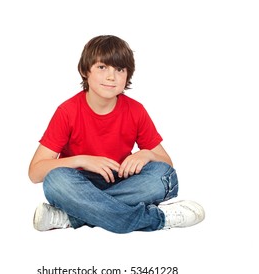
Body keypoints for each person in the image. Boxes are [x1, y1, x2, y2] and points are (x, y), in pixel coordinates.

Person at [28, 35, 205, 234]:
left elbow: (166, 164)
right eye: (102, 67)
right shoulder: (67, 111)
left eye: (119, 69)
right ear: (84, 71)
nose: (111, 77)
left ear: (127, 75)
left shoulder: (135, 110)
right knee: (56, 181)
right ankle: (158, 219)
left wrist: (146, 154)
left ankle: (73, 216)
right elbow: (35, 172)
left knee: (163, 177)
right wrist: (83, 160)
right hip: (79, 184)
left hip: (123, 180)